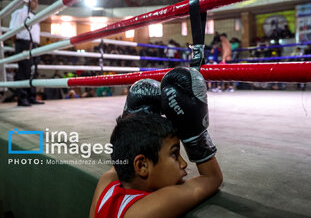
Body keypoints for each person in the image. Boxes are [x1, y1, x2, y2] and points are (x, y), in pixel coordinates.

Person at [89, 70, 222, 218]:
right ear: (142, 166)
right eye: (174, 154)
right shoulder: (148, 210)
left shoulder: (106, 185)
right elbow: (211, 178)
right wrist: (194, 134)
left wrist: (132, 118)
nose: (183, 164)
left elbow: (122, 158)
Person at [9, 0, 44, 106]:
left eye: (37, 1)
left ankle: (31, 96)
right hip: (24, 43)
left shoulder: (34, 15)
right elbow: (13, 31)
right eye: (34, 1)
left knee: (33, 71)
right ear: (27, 1)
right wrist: (19, 46)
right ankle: (22, 97)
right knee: (23, 71)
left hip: (34, 45)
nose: (36, 3)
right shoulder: (19, 13)